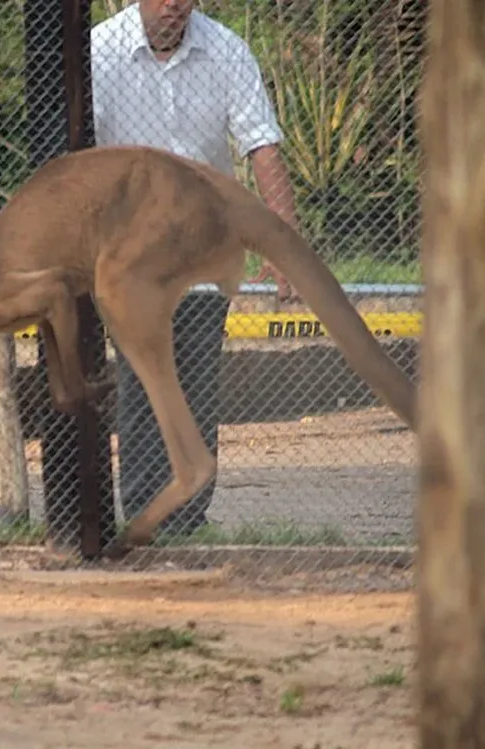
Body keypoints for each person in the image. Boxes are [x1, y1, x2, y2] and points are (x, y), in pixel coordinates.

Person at [90, 0, 302, 536]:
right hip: (132, 260)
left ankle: (188, 520)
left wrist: (285, 251)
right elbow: (78, 161)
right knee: (142, 387)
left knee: (196, 387)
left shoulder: (226, 51)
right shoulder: (98, 53)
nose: (175, 8)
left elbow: (262, 147)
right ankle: (144, 515)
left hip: (204, 255)